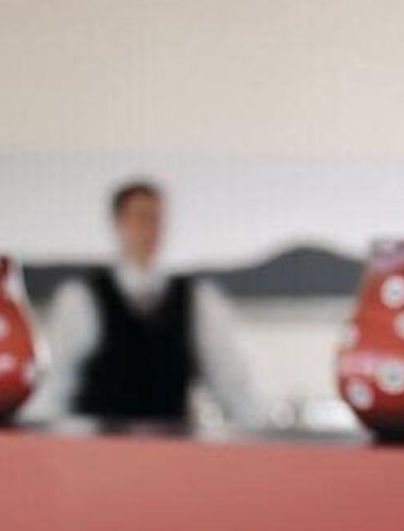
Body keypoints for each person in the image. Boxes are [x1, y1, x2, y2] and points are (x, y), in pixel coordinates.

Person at [40, 180, 263, 427]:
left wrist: (262, 436)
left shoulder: (197, 300)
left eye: (156, 218)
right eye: (140, 218)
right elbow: (55, 385)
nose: (149, 228)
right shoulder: (81, 299)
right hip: (100, 451)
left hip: (172, 452)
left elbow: (231, 381)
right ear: (119, 223)